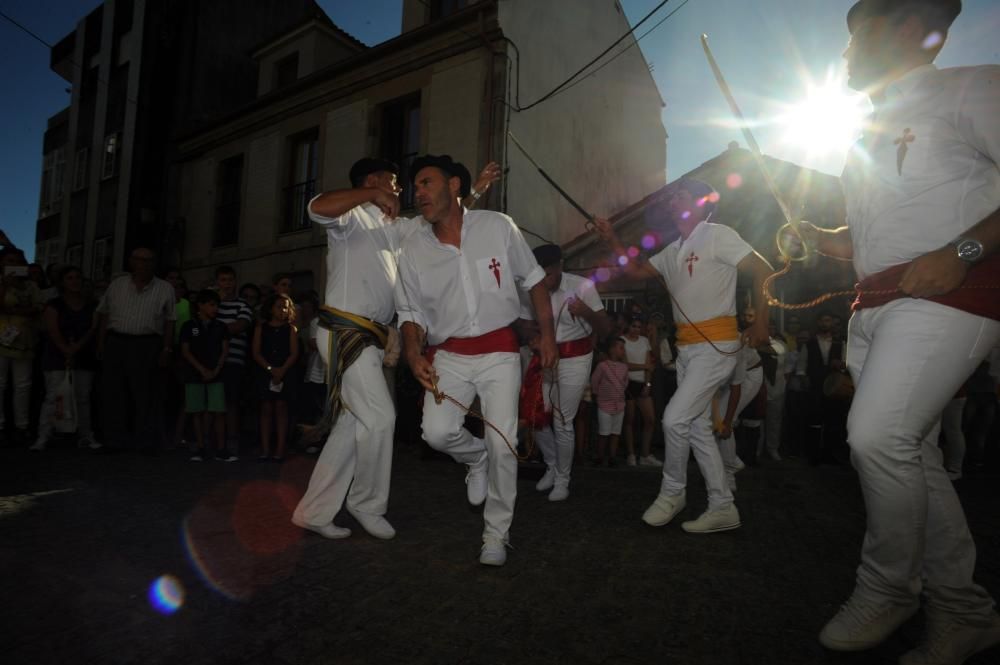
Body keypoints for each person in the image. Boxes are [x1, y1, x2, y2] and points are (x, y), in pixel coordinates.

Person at [791, 2, 1000, 660]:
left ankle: (888, 585)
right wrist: (814, 237)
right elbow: (869, 237)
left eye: (860, 37)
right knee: (914, 455)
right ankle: (964, 610)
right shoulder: (864, 134)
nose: (847, 55)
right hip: (873, 304)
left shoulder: (973, 85)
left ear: (910, 27)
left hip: (949, 292)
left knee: (877, 435)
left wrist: (961, 253)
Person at [291, 156, 502, 542]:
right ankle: (366, 504)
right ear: (372, 180)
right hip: (344, 330)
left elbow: (445, 215)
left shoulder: (401, 228)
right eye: (393, 181)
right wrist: (370, 193)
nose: (402, 189)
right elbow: (316, 207)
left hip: (372, 338)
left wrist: (475, 190)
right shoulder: (351, 218)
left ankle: (314, 511)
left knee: (353, 425)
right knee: (381, 418)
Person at [397, 154, 556, 566]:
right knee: (435, 433)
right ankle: (475, 457)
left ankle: (495, 535)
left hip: (501, 352)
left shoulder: (497, 226)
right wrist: (413, 353)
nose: (418, 192)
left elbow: (535, 280)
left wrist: (548, 335)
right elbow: (409, 311)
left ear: (454, 186)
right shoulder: (413, 249)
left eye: (426, 183)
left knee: (504, 444)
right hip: (448, 354)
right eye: (416, 186)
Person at [595, 178, 771, 534]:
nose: (672, 200)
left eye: (680, 195)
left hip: (717, 347)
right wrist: (611, 237)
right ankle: (723, 505)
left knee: (674, 419)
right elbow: (635, 270)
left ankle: (673, 493)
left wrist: (763, 323)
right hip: (688, 350)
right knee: (697, 428)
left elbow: (763, 269)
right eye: (672, 196)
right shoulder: (673, 248)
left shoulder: (718, 234)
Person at [518, 243, 609, 501]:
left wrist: (586, 312)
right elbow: (524, 325)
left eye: (548, 274)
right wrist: (532, 338)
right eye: (540, 275)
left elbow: (605, 329)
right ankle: (552, 465)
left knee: (561, 421)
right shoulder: (530, 289)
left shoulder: (582, 286)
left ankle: (563, 479)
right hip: (544, 357)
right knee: (536, 418)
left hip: (576, 358)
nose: (544, 281)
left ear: (560, 267)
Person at [96, 247, 175, 453]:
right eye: (139, 259)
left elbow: (169, 321)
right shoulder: (117, 285)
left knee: (145, 394)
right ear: (131, 262)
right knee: (114, 392)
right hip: (117, 341)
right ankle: (114, 439)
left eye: (148, 260)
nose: (144, 264)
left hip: (147, 343)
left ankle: (143, 440)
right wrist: (101, 343)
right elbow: (104, 314)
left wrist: (166, 348)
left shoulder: (165, 288)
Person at [31, 266, 100, 451]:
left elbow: (93, 328)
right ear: (62, 282)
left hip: (84, 355)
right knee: (53, 397)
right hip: (56, 355)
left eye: (77, 277)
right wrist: (66, 350)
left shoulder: (92, 305)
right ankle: (43, 435)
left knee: (83, 397)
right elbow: (53, 330)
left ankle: (85, 434)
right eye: (69, 278)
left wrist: (76, 348)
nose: (74, 281)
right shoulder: (54, 305)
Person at [0, 247, 45, 445]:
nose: (13, 264)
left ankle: (22, 426)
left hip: (24, 339)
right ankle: (0, 425)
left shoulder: (31, 286)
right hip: (1, 339)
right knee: (0, 384)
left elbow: (38, 308)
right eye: (9, 260)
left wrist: (17, 309)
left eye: (17, 261)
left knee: (23, 385)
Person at [179, 289, 230, 462]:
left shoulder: (221, 327)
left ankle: (221, 448)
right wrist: (202, 369)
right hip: (194, 374)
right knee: (197, 411)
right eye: (211, 305)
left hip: (217, 374)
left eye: (217, 305)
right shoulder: (189, 326)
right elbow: (186, 351)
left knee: (218, 411)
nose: (215, 308)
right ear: (200, 305)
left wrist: (215, 370)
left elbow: (224, 351)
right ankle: (201, 446)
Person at [252, 293, 298, 462]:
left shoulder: (291, 329)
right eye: (279, 306)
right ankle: (265, 448)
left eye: (286, 307)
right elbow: (256, 353)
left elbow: (294, 353)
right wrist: (271, 369)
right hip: (265, 370)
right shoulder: (261, 328)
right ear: (270, 308)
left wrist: (281, 370)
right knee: (266, 408)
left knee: (281, 408)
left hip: (285, 371)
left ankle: (280, 448)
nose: (283, 310)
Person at [215, 266, 254, 459]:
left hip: (233, 361)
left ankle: (232, 442)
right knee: (214, 404)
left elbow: (240, 325)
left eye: (230, 280)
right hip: (211, 362)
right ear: (217, 282)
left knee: (231, 403)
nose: (227, 284)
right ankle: (214, 442)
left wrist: (213, 330)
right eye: (223, 280)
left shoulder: (243, 305)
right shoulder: (212, 304)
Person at [621, 316, 658, 466]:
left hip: (643, 383)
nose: (636, 329)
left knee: (650, 420)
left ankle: (645, 455)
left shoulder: (644, 340)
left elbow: (649, 362)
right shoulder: (622, 340)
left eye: (638, 326)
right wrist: (644, 367)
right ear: (628, 327)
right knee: (629, 420)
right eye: (633, 326)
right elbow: (624, 364)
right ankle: (631, 454)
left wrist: (648, 383)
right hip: (627, 383)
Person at [591, 336, 630, 467]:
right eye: (621, 348)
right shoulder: (602, 366)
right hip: (604, 405)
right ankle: (600, 456)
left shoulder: (624, 367)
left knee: (615, 433)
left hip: (619, 405)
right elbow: (595, 382)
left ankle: (612, 457)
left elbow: (625, 382)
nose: (623, 351)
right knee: (604, 432)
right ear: (612, 349)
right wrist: (598, 396)